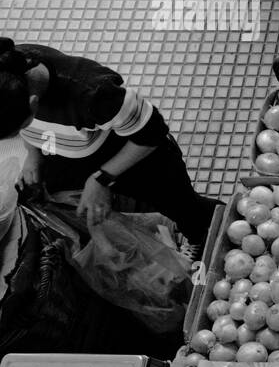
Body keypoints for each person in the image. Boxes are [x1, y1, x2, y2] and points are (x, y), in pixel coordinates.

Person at [0, 38, 216, 248]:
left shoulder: (94, 95)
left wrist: (102, 179)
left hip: (140, 159)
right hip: (76, 155)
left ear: (34, 103)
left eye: (20, 127)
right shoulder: (8, 72)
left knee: (183, 207)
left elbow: (153, 133)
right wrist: (33, 155)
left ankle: (199, 234)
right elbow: (28, 127)